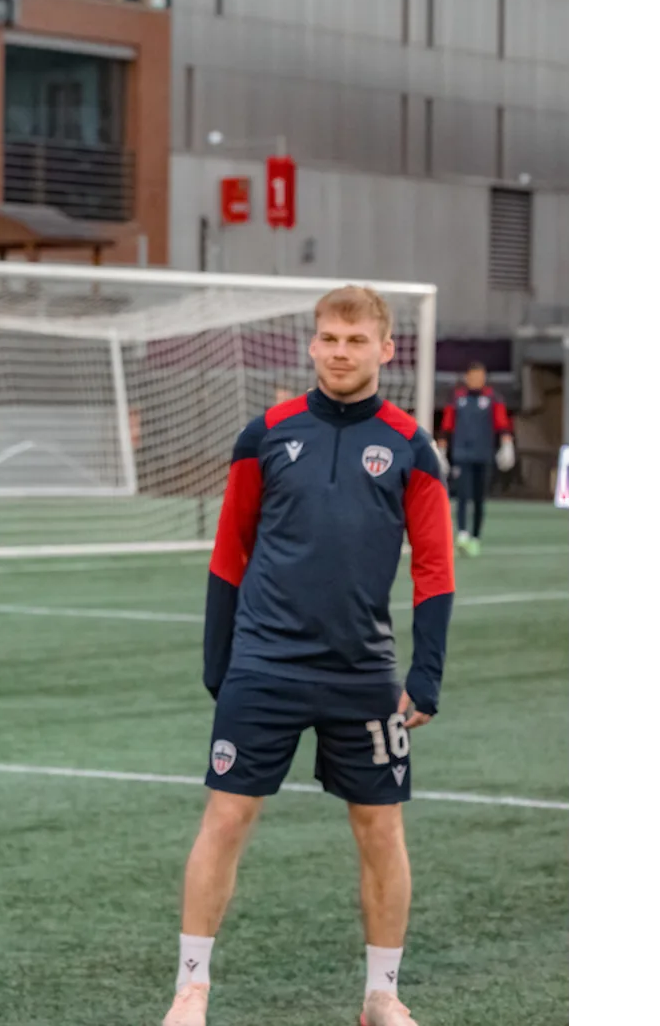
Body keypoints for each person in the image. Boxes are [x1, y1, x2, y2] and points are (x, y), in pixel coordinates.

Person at [162, 286, 455, 1026]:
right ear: (312, 343)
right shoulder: (264, 435)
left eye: (356, 341)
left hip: (363, 672)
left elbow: (434, 569)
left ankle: (382, 995)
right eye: (329, 338)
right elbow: (229, 553)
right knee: (226, 818)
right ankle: (191, 989)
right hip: (265, 664)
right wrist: (218, 660)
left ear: (386, 349)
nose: (339, 352)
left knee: (380, 831)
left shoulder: (412, 447)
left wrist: (426, 673)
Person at [437, 362, 515, 557]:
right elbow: (447, 425)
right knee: (462, 495)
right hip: (462, 455)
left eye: (480, 376)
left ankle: (476, 536)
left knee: (480, 498)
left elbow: (502, 424)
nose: (476, 380)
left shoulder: (493, 398)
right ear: (467, 377)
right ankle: (462, 534)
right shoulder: (457, 398)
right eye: (473, 376)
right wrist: (441, 450)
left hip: (484, 454)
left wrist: (507, 446)